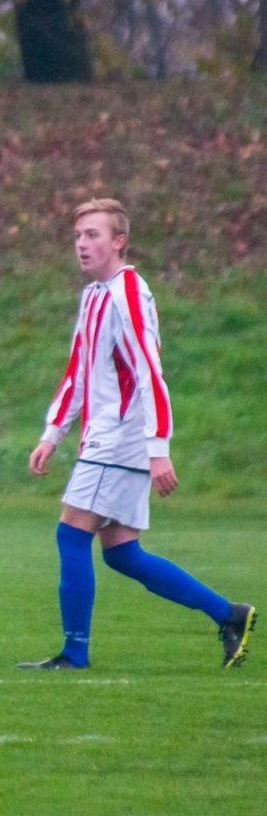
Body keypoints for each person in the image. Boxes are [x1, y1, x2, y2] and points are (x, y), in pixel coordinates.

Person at [21, 198, 254, 670]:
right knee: (123, 553)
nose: (82, 245)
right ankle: (229, 614)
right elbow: (78, 374)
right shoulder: (93, 295)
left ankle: (74, 653)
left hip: (121, 437)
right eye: (78, 236)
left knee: (70, 535)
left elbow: (150, 372)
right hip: (107, 438)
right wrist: (53, 433)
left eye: (93, 235)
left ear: (119, 241)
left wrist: (158, 449)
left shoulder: (128, 290)